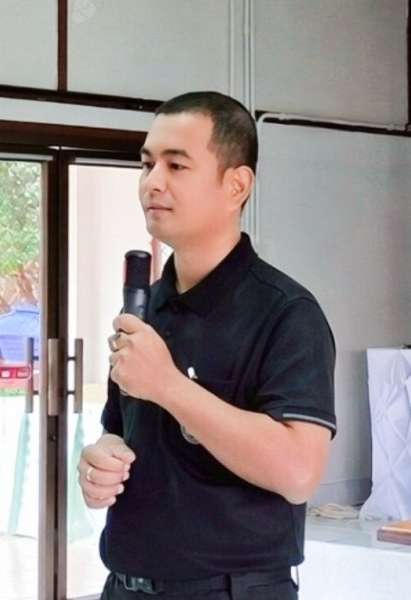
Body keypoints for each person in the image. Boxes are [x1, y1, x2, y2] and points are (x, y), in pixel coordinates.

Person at [78, 91, 337, 600]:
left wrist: (170, 386)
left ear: (236, 185)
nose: (152, 182)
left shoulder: (286, 313)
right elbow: (118, 430)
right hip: (125, 586)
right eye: (147, 164)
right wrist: (100, 460)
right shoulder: (147, 307)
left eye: (176, 165)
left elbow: (299, 472)